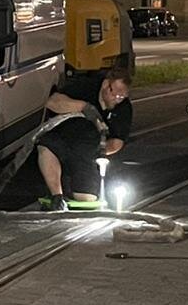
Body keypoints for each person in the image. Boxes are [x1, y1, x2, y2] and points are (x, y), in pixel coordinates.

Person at [37, 65, 133, 210]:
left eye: (122, 97)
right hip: (63, 138)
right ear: (106, 84)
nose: (117, 100)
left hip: (86, 151)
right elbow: (53, 102)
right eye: (115, 94)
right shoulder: (84, 87)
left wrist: (99, 151)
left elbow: (117, 142)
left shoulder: (123, 108)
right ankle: (56, 195)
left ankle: (76, 189)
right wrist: (83, 107)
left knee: (87, 198)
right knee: (46, 148)